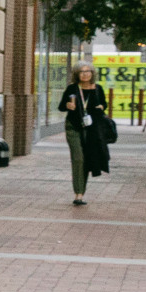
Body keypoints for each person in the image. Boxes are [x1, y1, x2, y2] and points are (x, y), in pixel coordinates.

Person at [60, 63, 110, 205]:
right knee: (78, 158)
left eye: (88, 71)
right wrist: (67, 105)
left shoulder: (98, 89)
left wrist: (101, 107)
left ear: (92, 73)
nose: (85, 74)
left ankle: (81, 194)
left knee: (87, 159)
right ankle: (77, 194)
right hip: (73, 127)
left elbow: (104, 104)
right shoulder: (72, 89)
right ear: (77, 74)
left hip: (91, 130)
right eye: (81, 72)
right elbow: (61, 106)